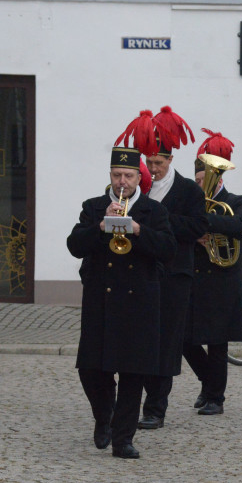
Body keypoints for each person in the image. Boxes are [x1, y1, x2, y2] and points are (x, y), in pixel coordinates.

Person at [67, 144, 176, 459]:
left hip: (139, 300)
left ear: (139, 178)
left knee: (133, 373)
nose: (122, 182)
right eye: (117, 175)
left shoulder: (154, 212)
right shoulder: (93, 206)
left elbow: (168, 249)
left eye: (128, 175)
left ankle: (123, 439)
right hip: (102, 298)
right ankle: (105, 418)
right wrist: (101, 225)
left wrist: (139, 230)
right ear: (110, 176)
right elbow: (75, 245)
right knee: (90, 369)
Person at [118, 108, 209, 431]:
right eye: (150, 162)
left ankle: (156, 407)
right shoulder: (139, 185)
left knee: (167, 342)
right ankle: (131, 400)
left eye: (158, 163)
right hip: (141, 273)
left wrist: (158, 220)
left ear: (170, 160)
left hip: (174, 275)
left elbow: (199, 226)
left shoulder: (189, 191)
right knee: (140, 339)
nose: (152, 169)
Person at [182, 130, 242, 415]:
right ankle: (208, 381)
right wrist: (192, 233)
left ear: (219, 179)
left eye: (204, 180)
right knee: (184, 339)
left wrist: (204, 224)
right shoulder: (190, 204)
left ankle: (215, 398)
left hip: (222, 282)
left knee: (217, 344)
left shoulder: (236, 201)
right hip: (195, 281)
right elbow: (177, 229)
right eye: (197, 181)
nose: (200, 186)